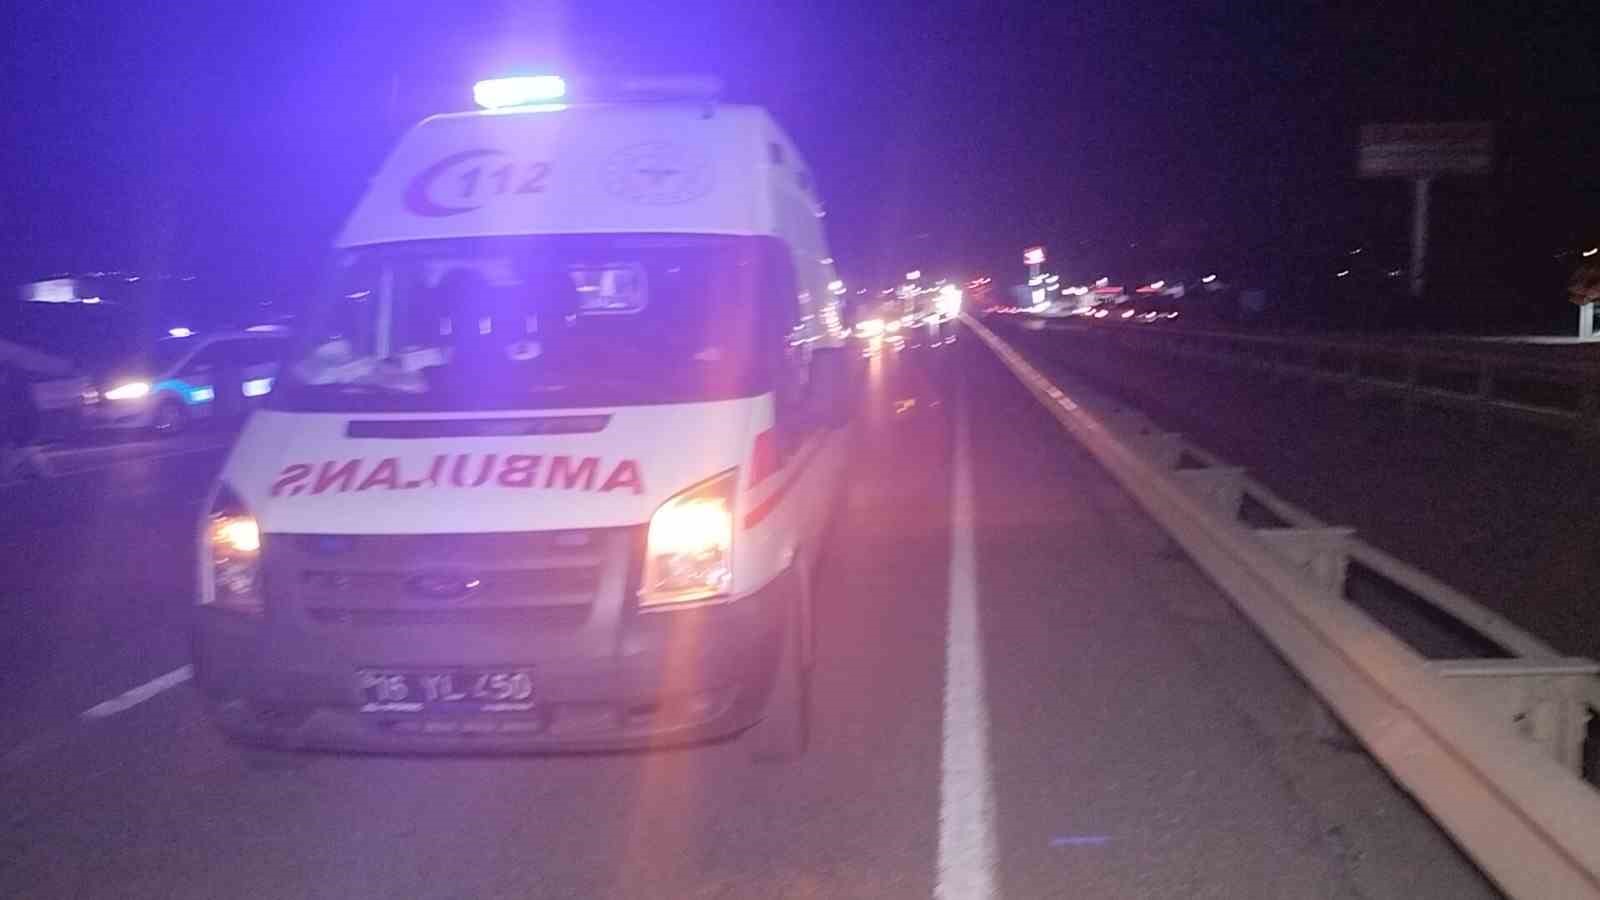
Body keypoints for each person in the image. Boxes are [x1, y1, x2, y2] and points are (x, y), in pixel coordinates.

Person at [0, 362, 50, 480]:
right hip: (20, 442)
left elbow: (19, 418)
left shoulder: (12, 394)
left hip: (17, 443)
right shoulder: (20, 393)